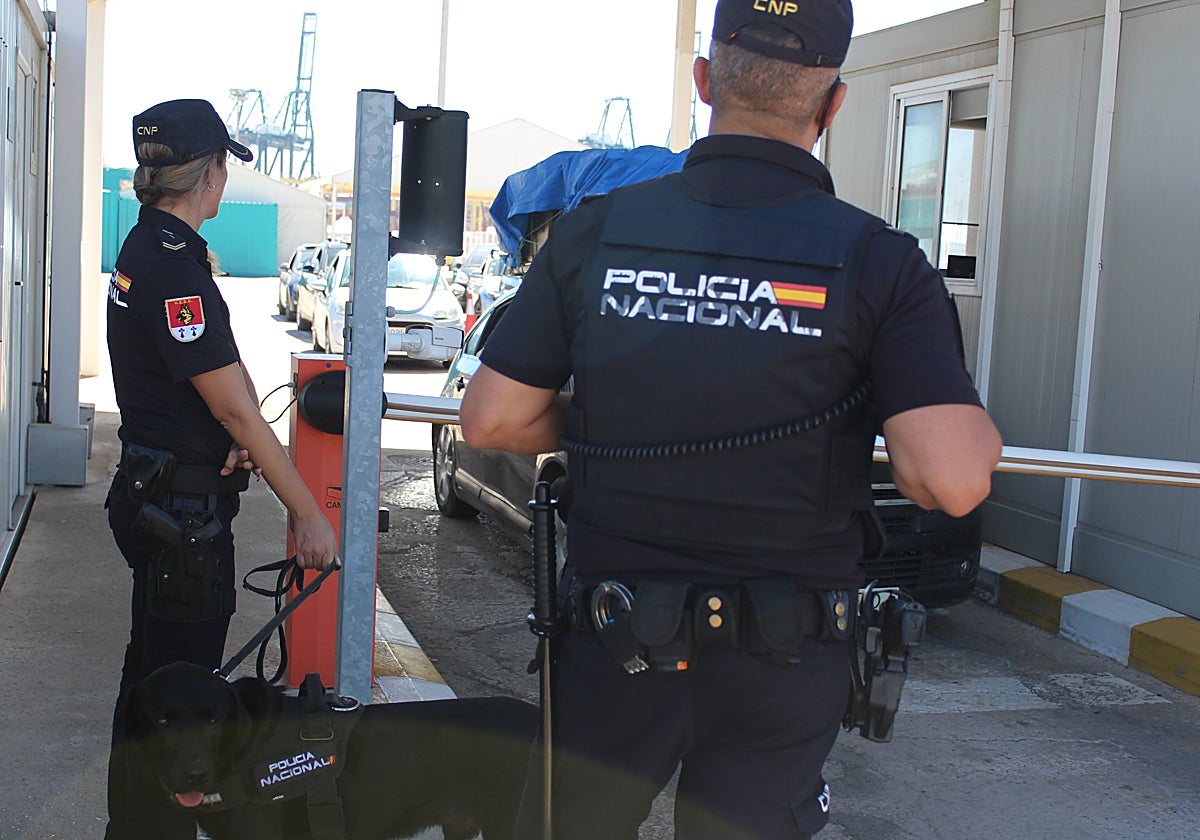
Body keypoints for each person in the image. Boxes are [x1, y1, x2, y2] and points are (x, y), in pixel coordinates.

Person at [460, 1, 1002, 837]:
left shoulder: (598, 231)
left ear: (706, 80)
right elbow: (953, 481)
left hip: (614, 642)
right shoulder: (880, 261)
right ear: (832, 104)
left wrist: (625, 427)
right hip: (782, 660)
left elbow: (493, 420)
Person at [103, 98, 339, 839]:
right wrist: (306, 511)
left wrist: (217, 437)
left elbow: (208, 395)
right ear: (210, 173)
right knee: (177, 715)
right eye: (224, 166)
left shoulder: (148, 248)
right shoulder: (174, 267)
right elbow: (238, 410)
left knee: (149, 691)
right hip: (184, 528)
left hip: (167, 503)